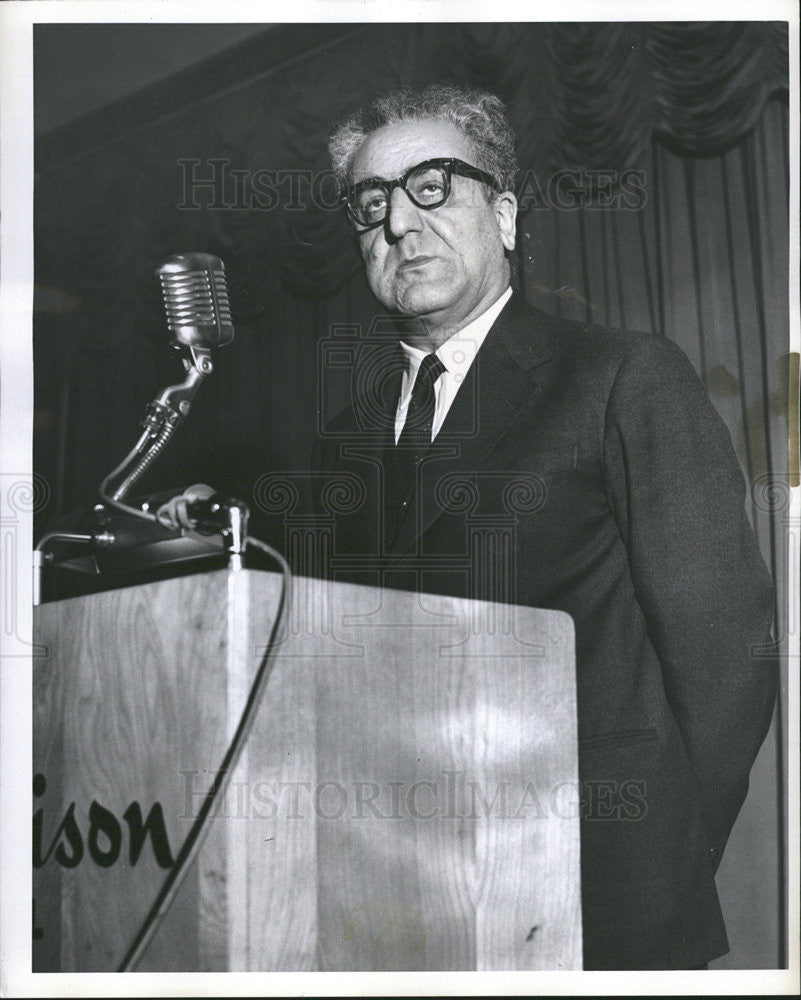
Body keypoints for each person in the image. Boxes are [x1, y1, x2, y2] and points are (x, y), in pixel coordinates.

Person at [312, 83, 777, 970]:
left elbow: (724, 657)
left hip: (602, 900)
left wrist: (662, 859)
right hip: (403, 909)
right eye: (371, 203)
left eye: (432, 185)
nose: (399, 223)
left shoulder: (619, 375)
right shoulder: (343, 444)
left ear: (508, 213)